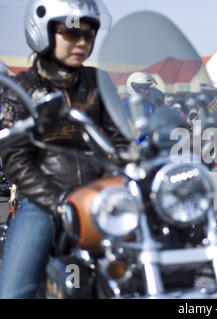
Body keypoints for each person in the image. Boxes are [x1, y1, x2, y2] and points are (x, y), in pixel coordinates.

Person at [0, 0, 127, 298]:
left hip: (99, 197)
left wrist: (129, 163)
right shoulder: (22, 88)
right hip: (45, 201)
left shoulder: (98, 81)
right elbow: (15, 159)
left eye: (89, 33)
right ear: (44, 31)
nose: (82, 41)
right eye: (71, 33)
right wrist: (56, 200)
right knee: (14, 290)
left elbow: (120, 139)